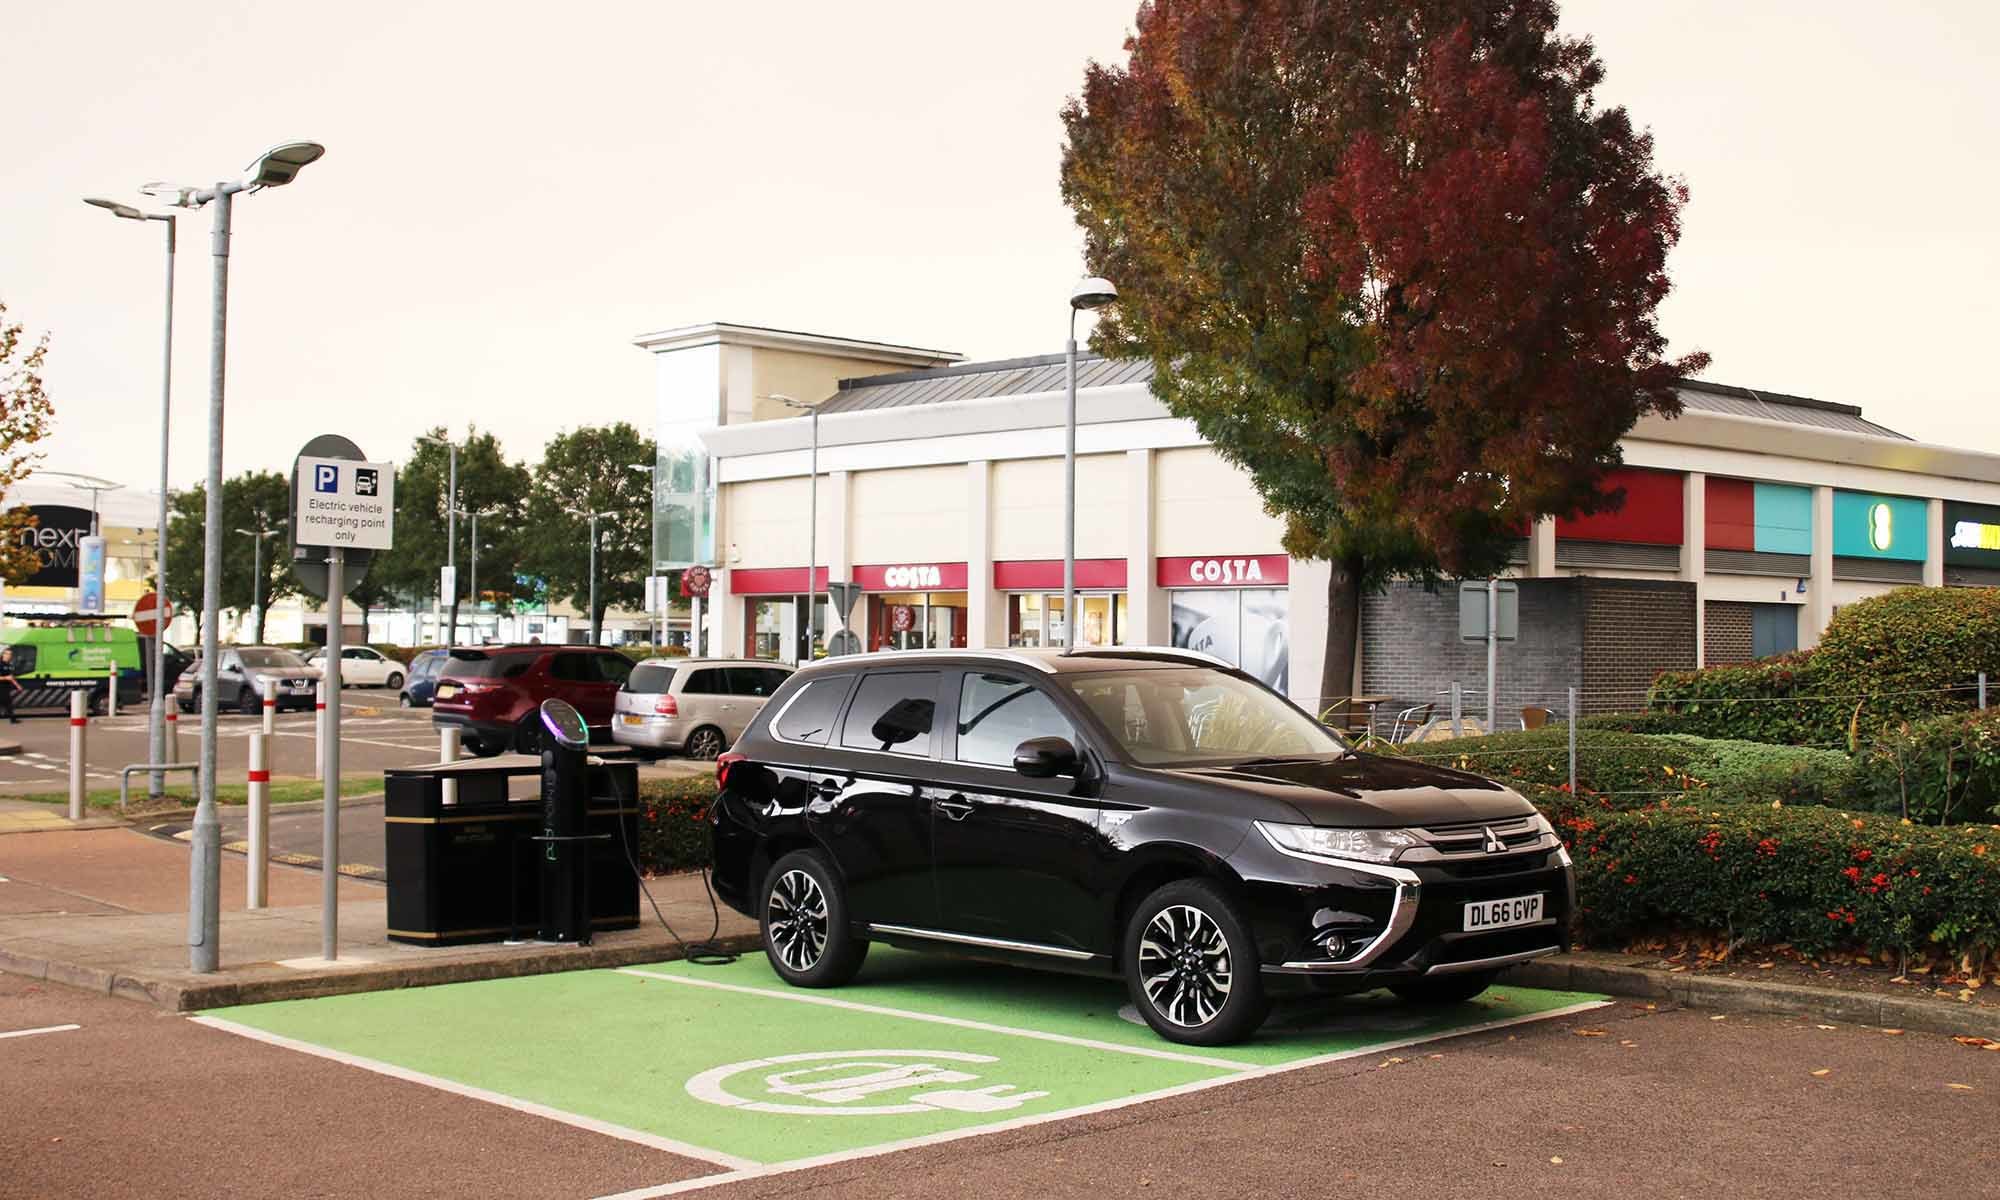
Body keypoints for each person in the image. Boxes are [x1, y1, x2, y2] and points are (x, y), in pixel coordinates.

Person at [0, 648, 17, 724]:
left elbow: (11, 677)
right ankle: (12, 719)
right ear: (3, 654)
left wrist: (17, 685)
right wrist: (6, 678)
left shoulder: (10, 665)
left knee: (7, 702)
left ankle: (12, 718)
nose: (8, 656)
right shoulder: (0, 664)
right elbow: (7, 677)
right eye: (6, 654)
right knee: (8, 702)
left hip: (6, 686)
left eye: (10, 654)